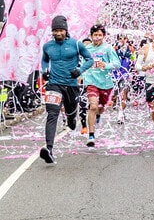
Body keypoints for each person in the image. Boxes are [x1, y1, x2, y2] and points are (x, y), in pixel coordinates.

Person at [39, 15, 93, 164]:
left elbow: (90, 59)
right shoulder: (48, 46)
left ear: (66, 30)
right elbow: (44, 60)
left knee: (70, 111)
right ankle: (48, 149)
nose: (58, 33)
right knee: (52, 113)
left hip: (71, 85)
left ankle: (71, 118)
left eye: (60, 30)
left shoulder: (76, 44)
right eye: (55, 30)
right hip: (54, 84)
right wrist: (45, 71)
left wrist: (80, 70)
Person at [83, 24, 120, 147]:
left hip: (105, 83)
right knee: (93, 106)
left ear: (104, 36)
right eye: (95, 35)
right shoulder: (87, 49)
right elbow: (83, 63)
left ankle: (98, 114)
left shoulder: (108, 48)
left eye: (100, 35)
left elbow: (117, 64)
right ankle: (91, 135)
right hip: (91, 81)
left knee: (101, 107)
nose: (97, 37)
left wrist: (106, 65)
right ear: (91, 36)